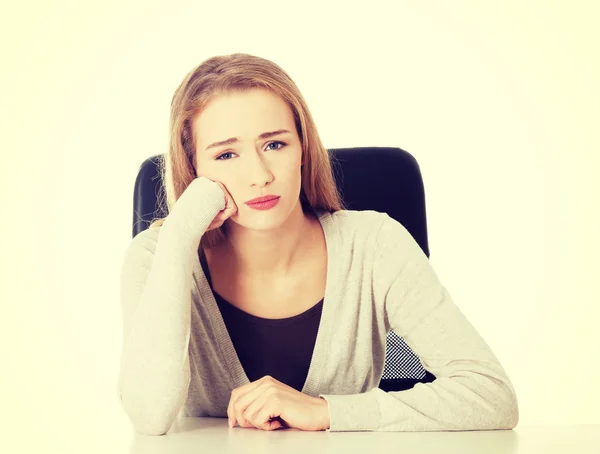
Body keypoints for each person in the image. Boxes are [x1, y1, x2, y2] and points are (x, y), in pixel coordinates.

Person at [118, 53, 519, 435]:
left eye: (275, 144)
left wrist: (326, 411)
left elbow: (492, 396)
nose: (259, 175)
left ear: (304, 151)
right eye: (226, 154)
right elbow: (150, 416)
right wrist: (179, 236)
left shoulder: (374, 245)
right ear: (194, 169)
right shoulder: (156, 256)